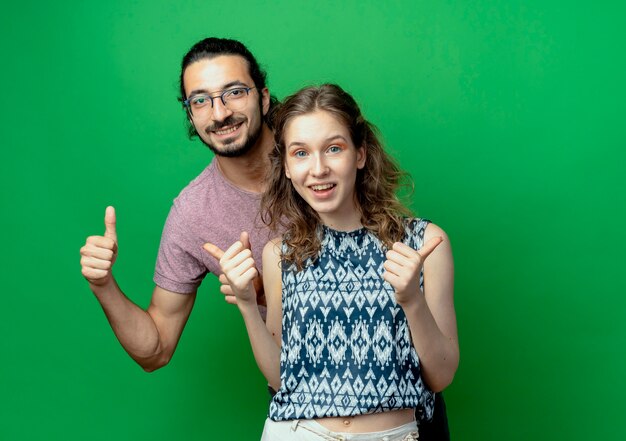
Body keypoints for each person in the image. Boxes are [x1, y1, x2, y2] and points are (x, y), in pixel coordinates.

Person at [207, 84, 458, 440]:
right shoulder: (281, 254)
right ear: (288, 168)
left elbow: (441, 376)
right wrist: (248, 305)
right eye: (301, 153)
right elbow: (281, 380)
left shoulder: (425, 243)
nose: (319, 169)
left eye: (334, 148)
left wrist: (412, 302)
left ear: (360, 154)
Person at [79, 37, 276, 371]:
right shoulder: (193, 214)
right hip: (296, 396)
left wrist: (264, 292)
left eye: (235, 92)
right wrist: (103, 285)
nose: (220, 113)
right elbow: (156, 350)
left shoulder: (318, 157)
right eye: (200, 100)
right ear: (189, 113)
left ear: (264, 97)